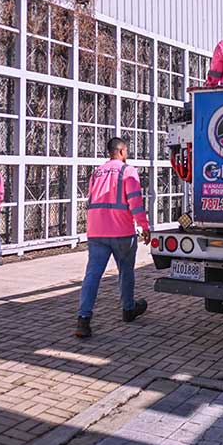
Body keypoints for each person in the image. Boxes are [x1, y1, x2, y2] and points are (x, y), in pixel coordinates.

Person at [76, 137, 151, 339]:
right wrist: (144, 226)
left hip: (96, 231)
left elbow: (91, 198)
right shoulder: (128, 171)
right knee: (126, 271)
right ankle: (128, 309)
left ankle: (83, 319)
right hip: (121, 231)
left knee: (92, 275)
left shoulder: (97, 172)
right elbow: (135, 201)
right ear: (122, 151)